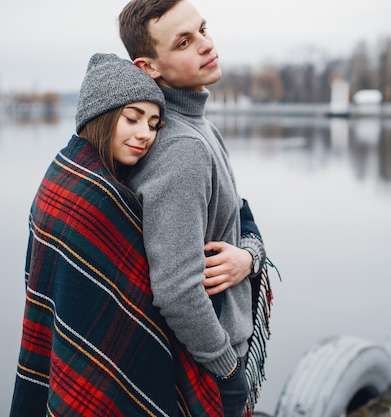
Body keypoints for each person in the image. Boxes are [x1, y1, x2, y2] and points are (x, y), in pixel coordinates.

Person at [9, 53, 225, 417]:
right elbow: (163, 293)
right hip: (104, 373)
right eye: (133, 118)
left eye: (155, 124)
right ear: (101, 116)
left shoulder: (63, 172)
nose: (145, 134)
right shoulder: (93, 196)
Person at [118, 2, 270, 416]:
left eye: (203, 30)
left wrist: (248, 257)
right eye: (185, 42)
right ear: (149, 67)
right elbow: (177, 288)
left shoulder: (199, 127)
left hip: (214, 354)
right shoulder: (181, 149)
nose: (206, 45)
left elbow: (233, 220)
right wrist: (225, 369)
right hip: (206, 366)